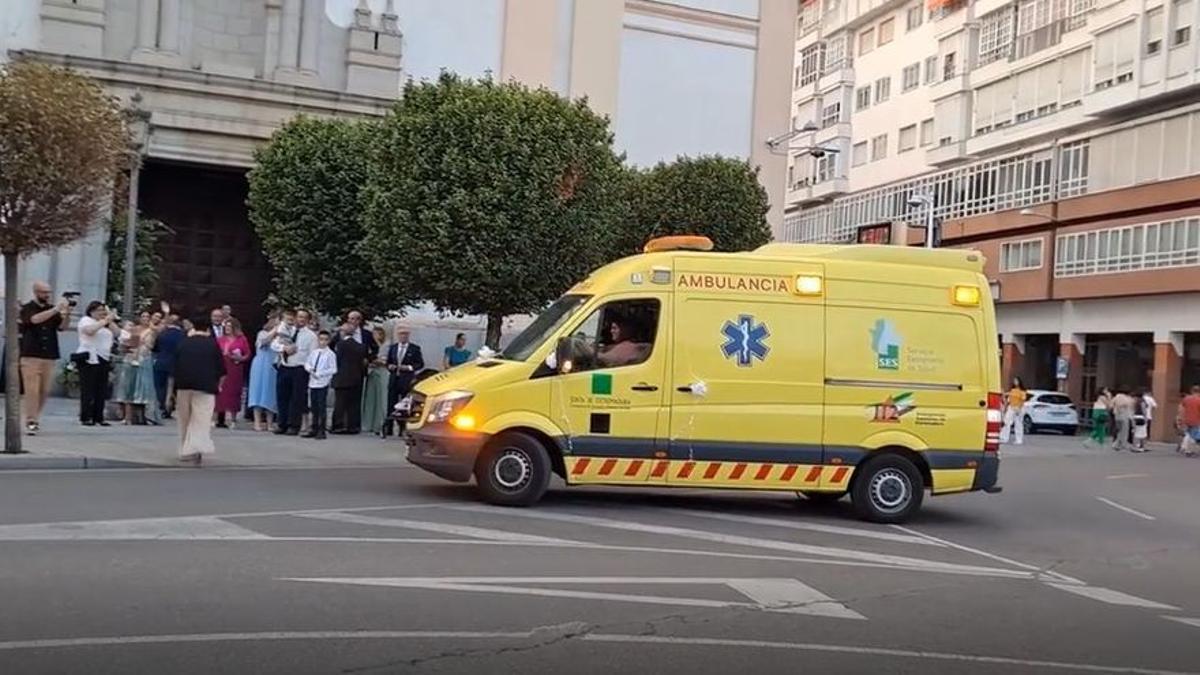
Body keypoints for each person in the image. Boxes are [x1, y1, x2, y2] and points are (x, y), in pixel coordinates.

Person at [18, 281, 72, 435]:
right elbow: (34, 320)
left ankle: (35, 417)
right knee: (31, 390)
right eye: (44, 292)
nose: (47, 295)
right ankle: (31, 420)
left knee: (44, 390)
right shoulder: (27, 308)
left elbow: (62, 327)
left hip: (48, 355)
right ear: (36, 292)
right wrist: (56, 309)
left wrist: (67, 312)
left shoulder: (51, 310)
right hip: (31, 355)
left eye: (48, 292)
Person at [173, 314, 226, 464]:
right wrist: (219, 385)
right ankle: (196, 448)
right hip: (206, 386)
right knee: (201, 419)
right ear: (208, 328)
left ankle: (184, 449)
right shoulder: (213, 344)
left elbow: (175, 366)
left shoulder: (183, 343)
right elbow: (221, 369)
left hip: (184, 385)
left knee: (184, 419)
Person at [273, 309, 317, 435]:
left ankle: (294, 425)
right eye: (299, 317)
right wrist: (284, 348)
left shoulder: (311, 336)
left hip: (300, 368)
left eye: (304, 317)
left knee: (296, 398)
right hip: (285, 366)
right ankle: (282, 424)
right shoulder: (287, 330)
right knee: (282, 396)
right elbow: (274, 345)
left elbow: (312, 355)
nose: (300, 320)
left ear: (308, 320)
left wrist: (308, 370)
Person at [74, 301, 118, 427]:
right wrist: (103, 321)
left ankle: (98, 416)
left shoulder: (105, 323)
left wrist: (110, 320)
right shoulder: (86, 320)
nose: (101, 313)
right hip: (89, 357)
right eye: (99, 310)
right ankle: (86, 416)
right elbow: (90, 331)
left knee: (101, 389)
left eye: (103, 310)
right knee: (88, 389)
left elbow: (118, 333)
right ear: (92, 311)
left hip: (103, 357)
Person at [384, 325, 424, 437]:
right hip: (394, 379)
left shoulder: (414, 348)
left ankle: (403, 427)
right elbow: (388, 362)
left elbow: (420, 364)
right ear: (398, 336)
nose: (403, 336)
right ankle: (389, 427)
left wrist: (409, 368)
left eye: (405, 334)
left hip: (406, 380)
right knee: (391, 403)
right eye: (401, 334)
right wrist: (390, 366)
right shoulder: (393, 347)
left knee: (405, 404)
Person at [331, 322, 368, 434]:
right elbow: (362, 362)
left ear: (343, 332)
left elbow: (336, 360)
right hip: (356, 377)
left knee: (340, 403)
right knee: (354, 403)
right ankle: (353, 426)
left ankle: (338, 425)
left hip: (341, 377)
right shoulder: (361, 346)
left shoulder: (340, 345)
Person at [248, 312, 281, 431]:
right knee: (258, 391)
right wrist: (274, 331)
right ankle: (257, 421)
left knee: (271, 392)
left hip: (273, 364)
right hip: (260, 364)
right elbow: (263, 342)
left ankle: (270, 422)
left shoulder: (281, 336)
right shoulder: (262, 333)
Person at [215, 317, 250, 429]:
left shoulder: (242, 339)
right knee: (221, 393)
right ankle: (219, 417)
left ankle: (233, 418)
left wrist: (239, 358)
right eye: (226, 327)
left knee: (234, 393)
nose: (227, 329)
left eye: (230, 327)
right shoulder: (220, 339)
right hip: (222, 368)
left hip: (235, 368)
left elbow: (247, 354)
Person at [304, 330, 337, 440]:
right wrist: (310, 369)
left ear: (329, 341)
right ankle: (313, 428)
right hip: (312, 382)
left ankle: (321, 429)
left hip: (322, 382)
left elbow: (333, 369)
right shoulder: (314, 352)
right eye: (321, 339)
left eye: (325, 340)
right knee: (314, 407)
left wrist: (321, 373)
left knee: (321, 406)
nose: (323, 342)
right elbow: (307, 363)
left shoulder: (331, 354)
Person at [152, 313, 185, 419]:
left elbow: (155, 348)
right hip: (175, 363)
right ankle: (169, 407)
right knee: (172, 387)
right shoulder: (182, 334)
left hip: (161, 361)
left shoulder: (162, 333)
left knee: (160, 386)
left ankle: (160, 407)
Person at [361, 326, 390, 437]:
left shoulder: (386, 345)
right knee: (370, 398)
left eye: (377, 334)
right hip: (372, 372)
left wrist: (375, 361)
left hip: (382, 372)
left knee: (382, 399)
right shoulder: (370, 346)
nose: (375, 336)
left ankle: (380, 424)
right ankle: (368, 424)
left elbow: (384, 360)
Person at [997, 377, 1027, 445]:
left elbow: (1022, 400)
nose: (1015, 382)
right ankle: (1004, 438)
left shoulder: (1022, 391)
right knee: (1006, 422)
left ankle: (1019, 439)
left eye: (1016, 381)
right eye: (1014, 381)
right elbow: (1007, 398)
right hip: (1011, 407)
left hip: (1018, 408)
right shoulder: (1012, 390)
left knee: (1018, 423)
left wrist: (1019, 409)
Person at [1110, 387, 1137, 452]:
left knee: (1119, 430)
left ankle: (1116, 444)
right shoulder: (1128, 399)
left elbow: (1110, 406)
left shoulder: (1115, 397)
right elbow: (1131, 408)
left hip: (1117, 416)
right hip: (1125, 416)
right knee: (1124, 431)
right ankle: (1122, 445)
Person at [1179, 385, 1200, 458]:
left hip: (1186, 419)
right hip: (1196, 420)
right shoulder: (1198, 400)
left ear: (1191, 391)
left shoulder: (1186, 399)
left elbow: (1181, 409)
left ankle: (1184, 447)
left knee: (1188, 434)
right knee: (1193, 436)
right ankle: (1189, 451)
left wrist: (1181, 418)